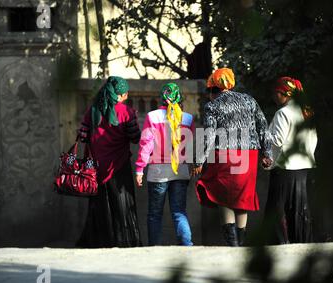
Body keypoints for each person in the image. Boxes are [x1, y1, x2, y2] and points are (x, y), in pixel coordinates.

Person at [193, 68, 272, 247]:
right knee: (242, 196)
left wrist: (199, 160)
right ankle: (242, 240)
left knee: (223, 197)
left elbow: (209, 135)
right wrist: (267, 153)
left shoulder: (213, 106)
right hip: (249, 155)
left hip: (225, 155)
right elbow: (263, 126)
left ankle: (232, 243)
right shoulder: (249, 100)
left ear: (214, 89)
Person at [76, 76, 142, 248]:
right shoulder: (126, 112)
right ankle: (124, 242)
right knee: (122, 205)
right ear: (119, 94)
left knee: (99, 206)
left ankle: (99, 242)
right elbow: (135, 138)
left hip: (96, 168)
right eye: (125, 93)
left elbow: (82, 136)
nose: (127, 96)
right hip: (118, 166)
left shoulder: (92, 110)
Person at [135, 83, 194, 246]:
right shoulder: (188, 118)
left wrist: (140, 169)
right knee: (179, 212)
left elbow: (146, 143)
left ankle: (154, 247)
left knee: (155, 214)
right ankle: (187, 245)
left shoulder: (152, 116)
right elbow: (189, 147)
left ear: (162, 97)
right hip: (180, 171)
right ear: (178, 97)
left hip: (158, 171)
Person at [264, 76, 318, 245]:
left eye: (276, 93)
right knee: (299, 209)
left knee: (276, 210)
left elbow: (277, 140)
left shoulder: (283, 113)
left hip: (284, 169)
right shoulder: (307, 112)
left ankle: (277, 246)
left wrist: (262, 134)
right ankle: (301, 243)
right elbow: (314, 139)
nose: (274, 96)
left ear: (285, 93)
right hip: (303, 167)